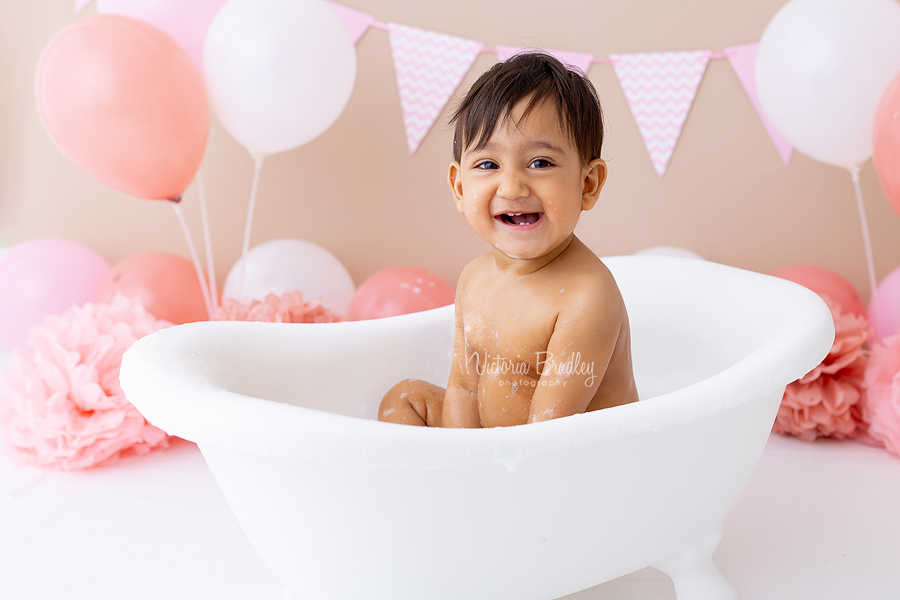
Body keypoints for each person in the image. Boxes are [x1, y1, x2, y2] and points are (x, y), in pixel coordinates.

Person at [378, 52, 638, 428]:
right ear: (459, 186)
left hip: (571, 459)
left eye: (540, 163)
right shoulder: (474, 278)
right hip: (494, 448)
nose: (513, 187)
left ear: (587, 184)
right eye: (488, 165)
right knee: (405, 398)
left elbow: (548, 431)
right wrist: (460, 458)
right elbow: (465, 388)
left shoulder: (586, 298)